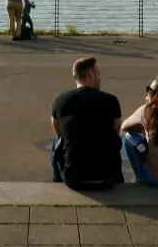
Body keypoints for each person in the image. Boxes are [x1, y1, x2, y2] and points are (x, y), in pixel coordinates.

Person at [50, 57, 124, 190]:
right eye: (99, 74)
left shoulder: (61, 100)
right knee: (114, 141)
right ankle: (118, 179)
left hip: (73, 179)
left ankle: (58, 183)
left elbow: (57, 128)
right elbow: (116, 130)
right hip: (107, 178)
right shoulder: (110, 100)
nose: (100, 78)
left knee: (58, 143)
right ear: (90, 74)